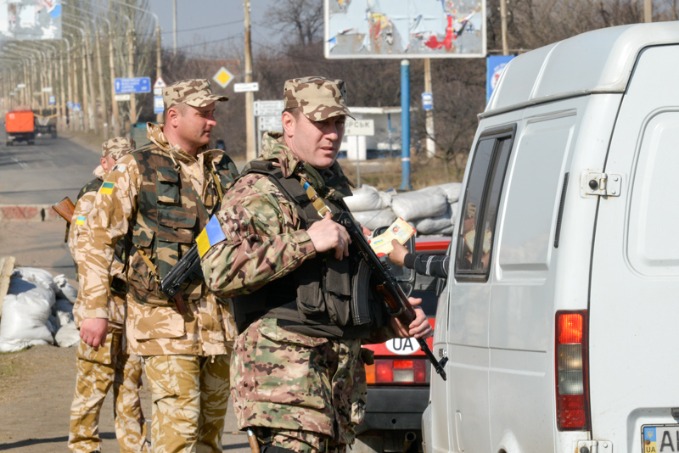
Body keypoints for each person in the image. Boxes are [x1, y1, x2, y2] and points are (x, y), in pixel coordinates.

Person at [199, 76, 431, 452]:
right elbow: (217, 269)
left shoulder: (325, 195)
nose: (332, 134)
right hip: (285, 392)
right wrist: (308, 240)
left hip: (333, 397)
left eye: (338, 123)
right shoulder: (256, 189)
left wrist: (390, 323)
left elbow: (334, 305)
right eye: (321, 123)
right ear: (288, 124)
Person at [76, 79, 239, 452]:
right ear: (174, 116)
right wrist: (95, 309)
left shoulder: (222, 168)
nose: (212, 122)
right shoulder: (137, 167)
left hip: (219, 324)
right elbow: (96, 238)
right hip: (164, 324)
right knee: (177, 433)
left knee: (209, 434)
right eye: (203, 114)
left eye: (213, 114)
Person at [68, 137, 150, 453]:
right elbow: (82, 249)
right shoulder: (92, 198)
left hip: (132, 307)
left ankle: (134, 444)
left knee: (131, 383)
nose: (122, 171)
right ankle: (83, 446)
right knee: (92, 385)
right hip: (102, 304)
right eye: (117, 163)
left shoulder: (132, 200)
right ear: (104, 163)